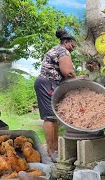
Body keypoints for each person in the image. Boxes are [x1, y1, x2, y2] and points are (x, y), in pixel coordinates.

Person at [34, 29, 81, 162]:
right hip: (47, 84)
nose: (73, 48)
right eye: (72, 45)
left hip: (50, 84)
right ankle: (52, 151)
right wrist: (77, 78)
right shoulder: (62, 50)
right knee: (50, 117)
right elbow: (68, 72)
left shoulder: (58, 50)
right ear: (66, 42)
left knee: (54, 116)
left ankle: (54, 149)